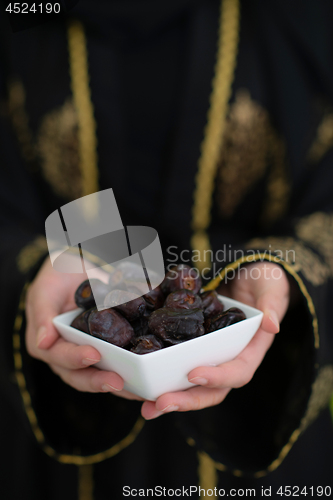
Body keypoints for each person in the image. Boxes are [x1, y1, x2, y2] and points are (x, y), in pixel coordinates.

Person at [1, 0, 333, 498]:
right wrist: (37, 271)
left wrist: (279, 271)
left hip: (255, 417)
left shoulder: (305, 16)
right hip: (63, 441)